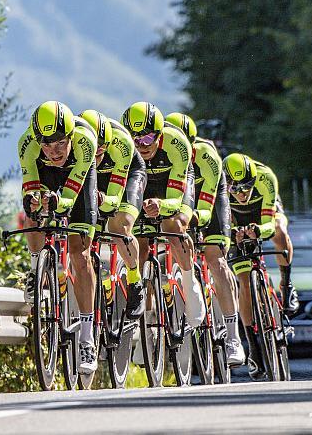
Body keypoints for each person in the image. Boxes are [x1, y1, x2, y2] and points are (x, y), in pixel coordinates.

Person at [18, 101, 99, 374]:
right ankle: (35, 268)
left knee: (79, 252)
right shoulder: (27, 145)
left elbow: (71, 195)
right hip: (45, 177)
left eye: (60, 143)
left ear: (71, 136)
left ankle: (87, 339)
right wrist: (35, 202)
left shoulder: (85, 141)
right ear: (37, 140)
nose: (54, 150)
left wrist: (59, 204)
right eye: (47, 144)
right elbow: (29, 185)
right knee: (32, 212)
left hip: (79, 179)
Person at [165, 112, 245, 366]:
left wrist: (194, 219)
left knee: (214, 257)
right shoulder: (167, 154)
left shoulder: (207, 155)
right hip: (182, 202)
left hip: (209, 201)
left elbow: (207, 204)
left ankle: (233, 337)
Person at [121, 102, 205, 328]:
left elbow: (177, 199)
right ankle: (147, 327)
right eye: (135, 140)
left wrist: (162, 205)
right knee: (139, 243)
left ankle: (190, 283)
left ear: (159, 135)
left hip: (173, 186)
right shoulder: (125, 150)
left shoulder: (177, 144)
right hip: (145, 186)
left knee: (175, 225)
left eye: (147, 139)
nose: (142, 146)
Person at [222, 152, 299, 380]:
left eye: (246, 187)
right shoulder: (220, 187)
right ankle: (254, 347)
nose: (242, 193)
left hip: (264, 215)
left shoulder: (266, 178)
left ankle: (287, 284)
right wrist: (233, 233)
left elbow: (268, 222)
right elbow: (222, 222)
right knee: (244, 281)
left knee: (280, 230)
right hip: (236, 219)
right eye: (235, 189)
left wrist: (258, 231)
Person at [79, 110, 147, 319]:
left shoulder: (122, 143)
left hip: (126, 176)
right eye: (92, 154)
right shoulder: (75, 142)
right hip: (95, 180)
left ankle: (135, 281)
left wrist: (101, 201)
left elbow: (114, 201)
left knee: (119, 225)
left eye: (100, 154)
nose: (95, 159)